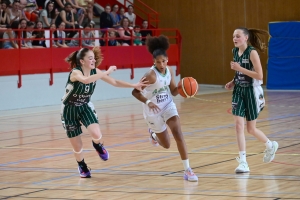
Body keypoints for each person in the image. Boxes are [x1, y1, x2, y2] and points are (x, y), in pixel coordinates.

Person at [61, 46, 148, 178]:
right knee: (78, 147)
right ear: (82, 61)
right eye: (90, 58)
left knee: (96, 134)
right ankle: (82, 166)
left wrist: (133, 85)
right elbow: (85, 80)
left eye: (94, 58)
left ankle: (97, 145)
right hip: (69, 110)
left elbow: (114, 82)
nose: (93, 60)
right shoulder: (75, 73)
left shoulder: (96, 71)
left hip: (84, 106)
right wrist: (106, 71)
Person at [131, 35, 198, 182]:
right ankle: (153, 135)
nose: (161, 64)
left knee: (178, 133)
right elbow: (135, 92)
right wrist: (148, 101)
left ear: (167, 60)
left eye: (164, 61)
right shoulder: (150, 75)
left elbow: (173, 90)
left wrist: (183, 90)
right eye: (158, 62)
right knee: (166, 145)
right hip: (152, 110)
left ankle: (188, 170)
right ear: (153, 62)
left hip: (167, 105)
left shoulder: (169, 71)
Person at [225, 27, 279, 173]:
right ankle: (243, 162)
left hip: (251, 91)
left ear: (246, 38)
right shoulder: (234, 51)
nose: (234, 38)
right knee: (238, 126)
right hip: (238, 91)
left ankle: (270, 145)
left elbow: (260, 76)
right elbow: (239, 72)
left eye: (237, 36)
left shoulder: (252, 52)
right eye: (233, 36)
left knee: (251, 129)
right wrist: (233, 81)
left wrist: (240, 69)